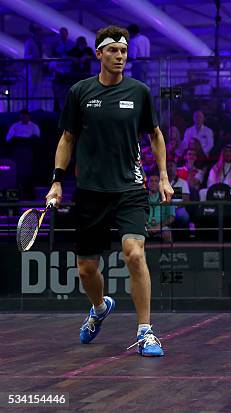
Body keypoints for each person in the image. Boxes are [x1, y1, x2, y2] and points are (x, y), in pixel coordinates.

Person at [45, 26, 173, 357]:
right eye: (113, 51)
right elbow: (67, 139)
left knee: (134, 253)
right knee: (86, 270)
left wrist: (163, 176)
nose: (120, 56)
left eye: (124, 51)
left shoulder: (140, 91)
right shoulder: (80, 92)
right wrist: (57, 180)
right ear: (99, 54)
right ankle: (100, 308)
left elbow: (156, 135)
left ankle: (145, 331)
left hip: (130, 187)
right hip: (89, 192)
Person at [147, 171, 175, 242]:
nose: (153, 183)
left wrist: (159, 226)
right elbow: (138, 214)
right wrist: (146, 226)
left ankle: (168, 253)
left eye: (156, 181)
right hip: (145, 226)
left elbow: (172, 217)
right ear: (148, 183)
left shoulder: (167, 197)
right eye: (151, 181)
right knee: (136, 233)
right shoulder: (142, 197)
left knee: (167, 233)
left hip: (162, 226)